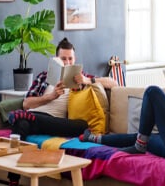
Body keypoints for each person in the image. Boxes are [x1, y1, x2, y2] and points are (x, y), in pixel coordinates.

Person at [7, 37, 118, 186]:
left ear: (75, 59)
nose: (67, 63)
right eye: (63, 59)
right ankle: (14, 181)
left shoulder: (81, 78)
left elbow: (113, 82)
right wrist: (51, 96)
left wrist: (86, 81)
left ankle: (25, 118)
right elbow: (27, 103)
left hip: (58, 123)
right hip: (36, 116)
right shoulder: (44, 77)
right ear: (56, 60)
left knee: (82, 125)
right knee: (21, 123)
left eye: (70, 59)